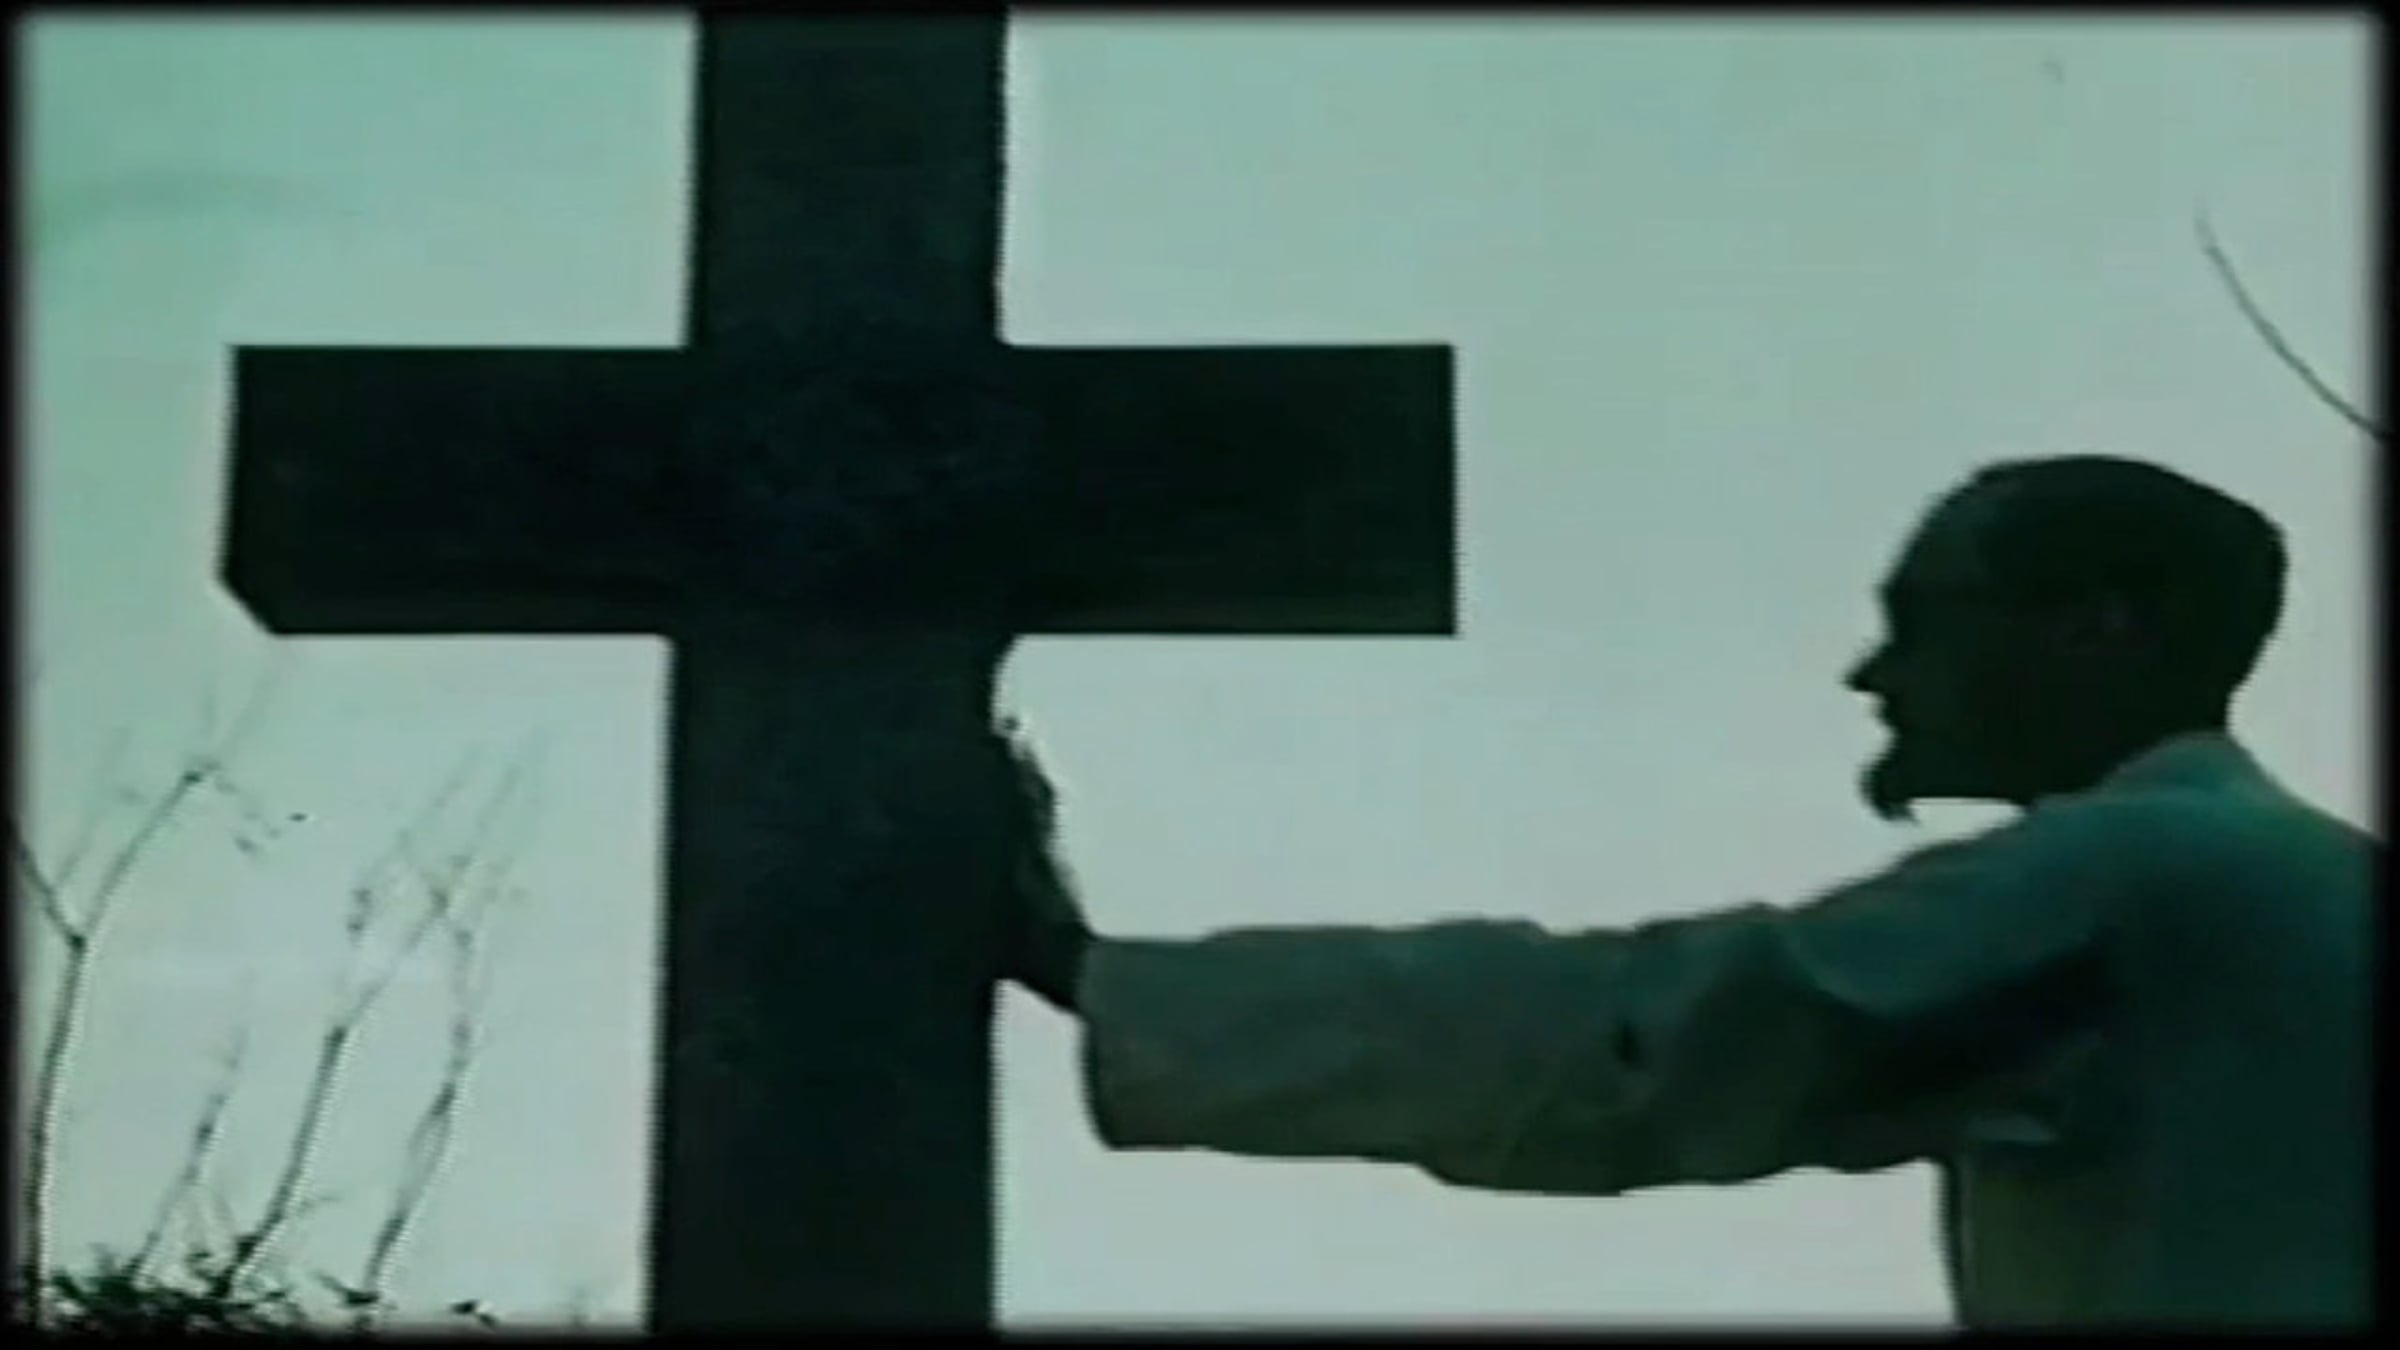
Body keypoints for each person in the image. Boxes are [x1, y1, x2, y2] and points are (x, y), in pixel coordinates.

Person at [998, 455, 2374, 1329]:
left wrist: (1092, 976)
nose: (1874, 675)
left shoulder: (2146, 873)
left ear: (2097, 630)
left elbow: (1654, 1040)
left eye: (1927, 620)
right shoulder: (2307, 886)